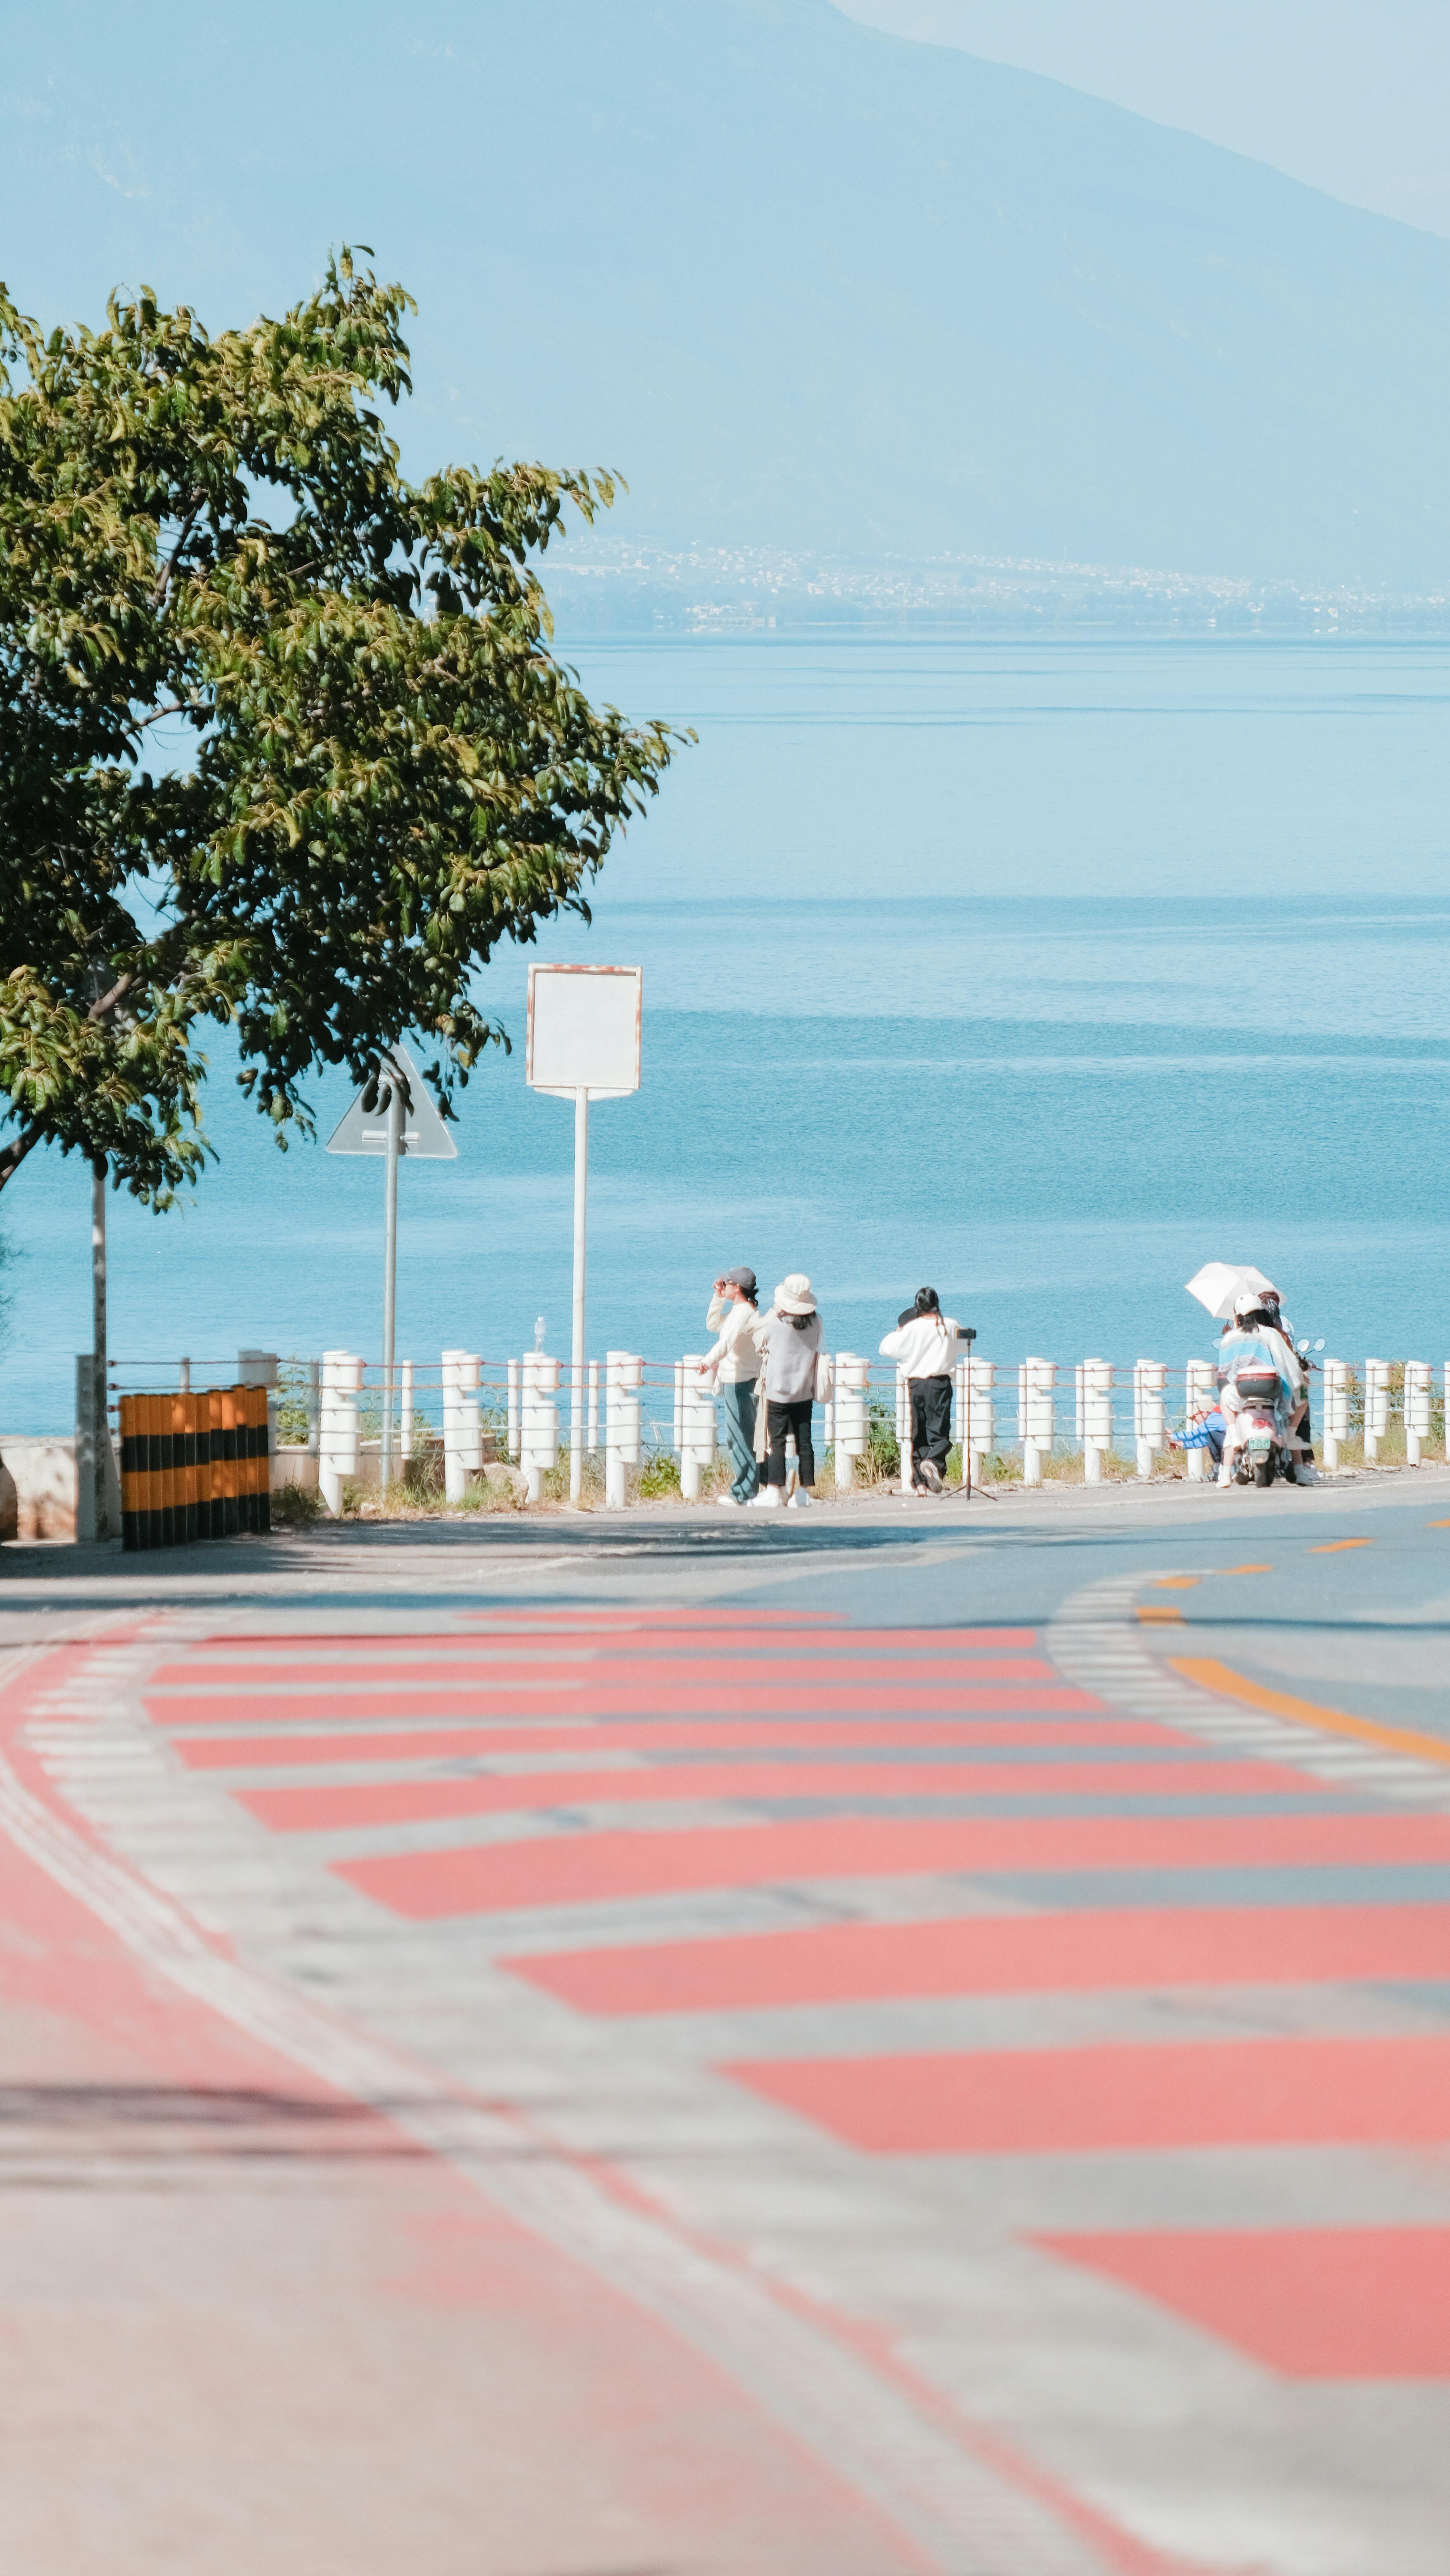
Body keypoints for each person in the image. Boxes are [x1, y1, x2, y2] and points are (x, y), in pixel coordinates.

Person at [879, 1288, 972, 1495]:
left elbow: (885, 1348)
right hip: (939, 1383)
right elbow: (965, 1344)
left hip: (916, 1384)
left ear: (918, 1306)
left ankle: (920, 1484)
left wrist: (899, 1331)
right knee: (939, 1432)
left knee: (918, 1433)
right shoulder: (949, 1324)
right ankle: (934, 1463)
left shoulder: (911, 1328)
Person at [747, 1274, 822, 1511]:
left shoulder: (777, 1324)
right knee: (805, 1442)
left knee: (776, 1442)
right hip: (804, 1390)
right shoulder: (817, 1322)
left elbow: (758, 1340)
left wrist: (773, 1311)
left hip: (778, 1391)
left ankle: (773, 1490)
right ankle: (804, 1493)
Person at [1216, 1290, 1304, 1485]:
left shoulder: (1230, 1338)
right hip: (1272, 1392)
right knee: (1302, 1401)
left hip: (1241, 1393)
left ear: (1239, 1316)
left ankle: (1225, 1468)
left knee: (1224, 1398)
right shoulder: (1271, 1334)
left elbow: (1224, 1372)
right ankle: (1296, 1457)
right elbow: (1287, 1365)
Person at [701, 1267, 761, 1506]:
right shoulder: (741, 1310)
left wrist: (707, 1362)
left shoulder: (743, 1313)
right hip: (734, 1379)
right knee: (738, 1437)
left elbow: (725, 1344)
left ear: (737, 1287)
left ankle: (744, 1493)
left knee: (741, 1438)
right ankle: (750, 1489)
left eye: (727, 1283)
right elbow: (714, 1325)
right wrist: (717, 1298)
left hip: (741, 1381)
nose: (723, 1285)